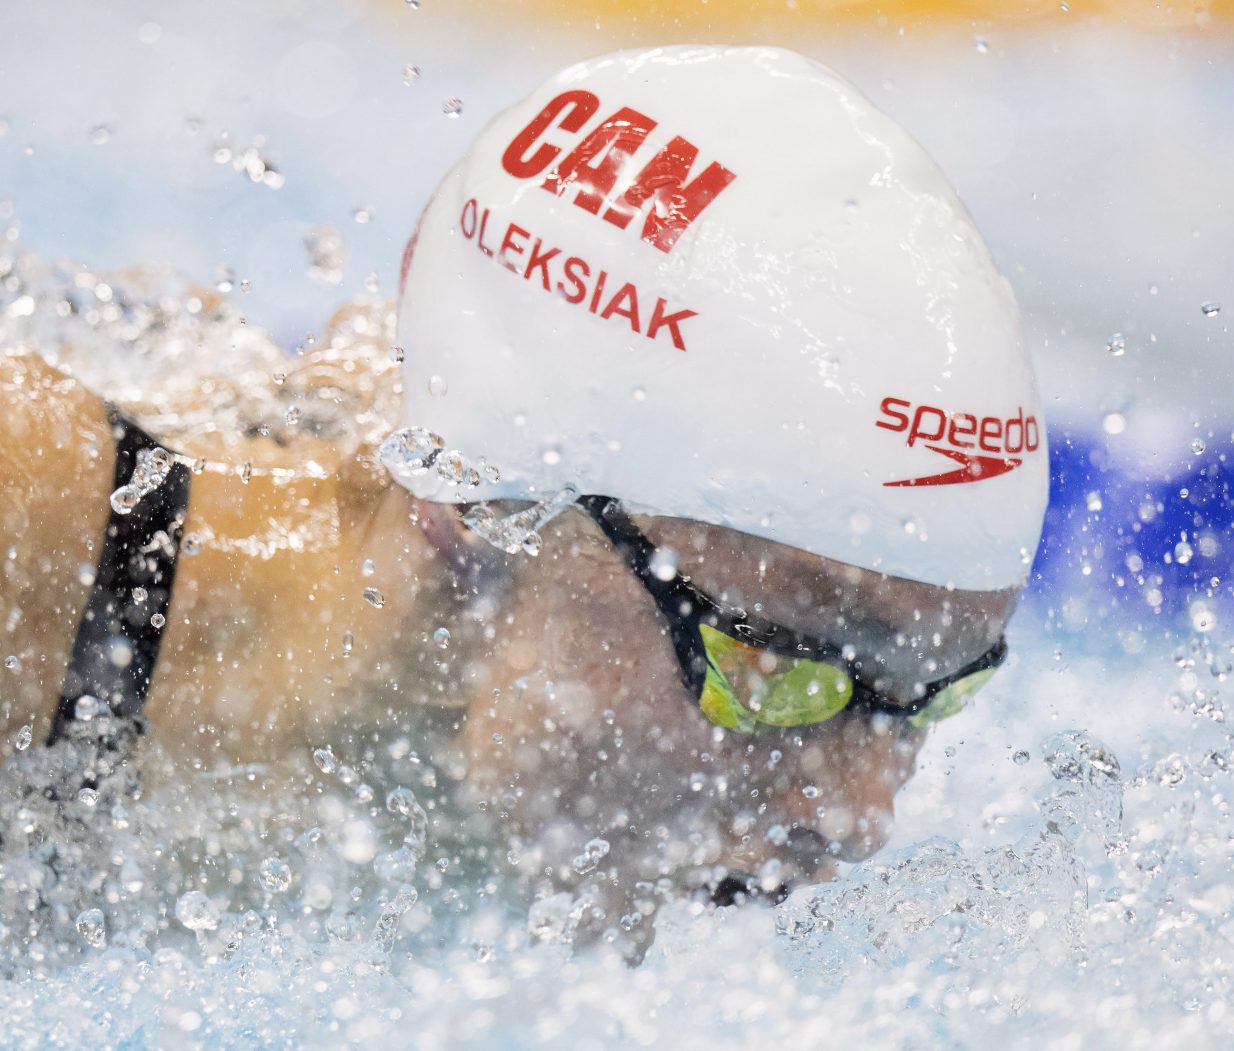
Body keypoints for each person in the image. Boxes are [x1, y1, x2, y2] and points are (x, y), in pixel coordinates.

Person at [0, 46, 1047, 921]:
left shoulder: (532, 804)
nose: (863, 815)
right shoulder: (33, 553)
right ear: (475, 516)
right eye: (777, 669)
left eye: (933, 697)